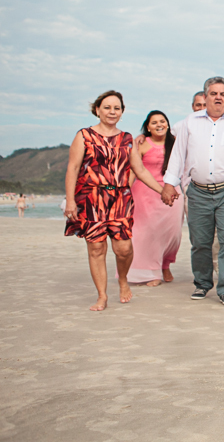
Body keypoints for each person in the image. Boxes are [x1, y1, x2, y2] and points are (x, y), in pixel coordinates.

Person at [161, 77, 224, 306]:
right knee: (200, 241)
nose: (218, 97)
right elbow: (177, 155)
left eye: (222, 94)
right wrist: (169, 183)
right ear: (205, 97)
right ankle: (202, 283)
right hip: (198, 191)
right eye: (213, 93)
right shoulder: (191, 122)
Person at [64, 90, 165, 311]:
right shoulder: (84, 136)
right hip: (90, 198)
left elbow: (139, 170)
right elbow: (72, 168)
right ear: (97, 110)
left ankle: (122, 279)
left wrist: (162, 190)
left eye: (116, 108)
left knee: (124, 249)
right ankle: (102, 295)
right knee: (96, 248)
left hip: (120, 197)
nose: (112, 111)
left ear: (122, 112)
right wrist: (70, 200)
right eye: (107, 107)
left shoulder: (127, 139)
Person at [127, 110, 184, 286]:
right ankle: (153, 272)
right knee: (147, 234)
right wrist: (125, 193)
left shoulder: (176, 143)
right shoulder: (142, 144)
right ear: (148, 127)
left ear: (168, 124)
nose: (159, 124)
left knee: (172, 234)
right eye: (154, 122)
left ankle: (165, 264)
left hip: (172, 193)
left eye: (162, 121)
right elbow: (133, 170)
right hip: (144, 195)